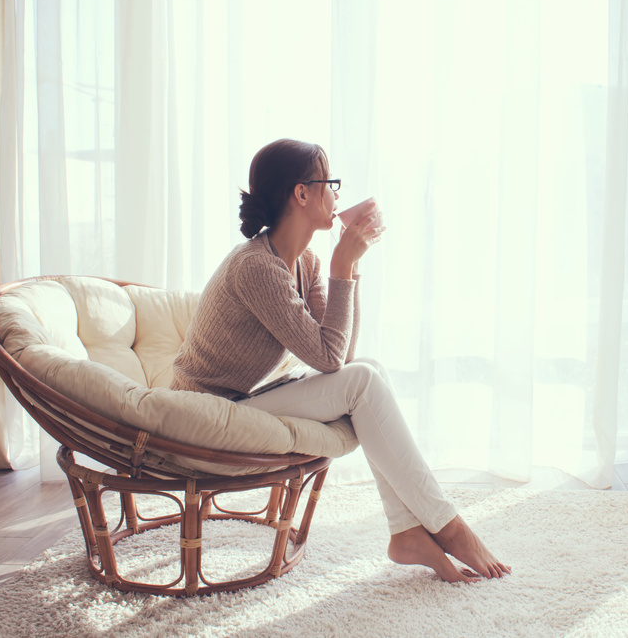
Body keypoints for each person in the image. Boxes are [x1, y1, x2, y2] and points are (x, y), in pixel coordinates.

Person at [170, 138, 509, 583]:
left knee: (370, 370)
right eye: (330, 182)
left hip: (240, 400)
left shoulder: (303, 261)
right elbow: (333, 360)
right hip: (206, 414)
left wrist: (348, 268)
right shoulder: (256, 267)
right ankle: (449, 526)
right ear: (302, 193)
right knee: (364, 381)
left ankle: (407, 531)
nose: (337, 195)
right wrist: (343, 261)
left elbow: (342, 355)